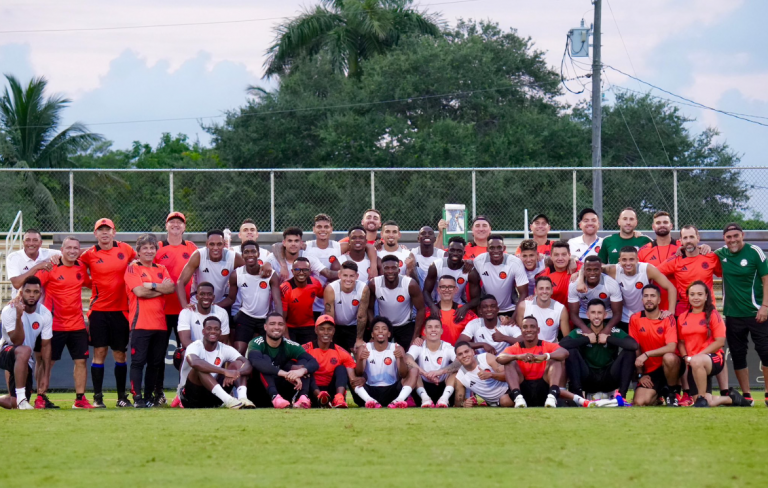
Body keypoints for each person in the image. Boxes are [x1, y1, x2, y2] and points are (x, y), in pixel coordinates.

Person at [79, 218, 137, 408]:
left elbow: (138, 263)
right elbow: (77, 269)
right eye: (100, 230)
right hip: (98, 311)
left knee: (120, 354)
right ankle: (98, 398)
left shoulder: (126, 249)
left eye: (108, 229)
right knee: (100, 352)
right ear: (95, 234)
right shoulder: (88, 255)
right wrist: (93, 285)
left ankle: (122, 397)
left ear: (114, 232)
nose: (104, 233)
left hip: (121, 310)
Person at [714, 223, 768, 407]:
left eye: (736, 236)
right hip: (733, 315)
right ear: (724, 239)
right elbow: (702, 255)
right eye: (729, 237)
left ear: (742, 235)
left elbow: (766, 279)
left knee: (765, 352)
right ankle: (747, 395)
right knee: (738, 354)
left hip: (756, 313)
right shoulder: (721, 253)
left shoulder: (755, 252)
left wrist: (765, 306)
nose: (733, 240)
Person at [5, 228, 60, 408]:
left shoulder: (49, 253)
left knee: (40, 355)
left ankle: (40, 396)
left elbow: (71, 251)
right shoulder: (15, 257)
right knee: (18, 350)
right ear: (23, 241)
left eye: (35, 240)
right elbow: (16, 283)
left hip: (39, 313)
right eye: (27, 240)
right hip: (18, 310)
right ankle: (13, 393)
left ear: (40, 242)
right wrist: (37, 267)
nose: (31, 243)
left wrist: (60, 257)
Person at [36, 236, 94, 409]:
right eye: (68, 248)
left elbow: (92, 283)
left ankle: (80, 399)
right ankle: (40, 397)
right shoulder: (50, 266)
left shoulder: (81, 268)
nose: (72, 251)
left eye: (76, 248)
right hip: (53, 325)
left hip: (77, 324)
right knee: (48, 362)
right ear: (61, 250)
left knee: (81, 361)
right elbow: (32, 286)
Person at [677, 282, 751, 407]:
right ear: (688, 297)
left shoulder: (713, 315)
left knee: (701, 399)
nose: (696, 297)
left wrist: (697, 356)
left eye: (700, 294)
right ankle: (731, 399)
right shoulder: (682, 317)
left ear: (706, 296)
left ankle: (701, 397)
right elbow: (681, 342)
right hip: (694, 364)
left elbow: (720, 342)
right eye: (692, 294)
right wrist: (685, 357)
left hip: (714, 359)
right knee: (706, 402)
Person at [124, 233, 175, 408]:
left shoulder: (161, 268)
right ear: (138, 251)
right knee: (138, 362)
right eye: (144, 248)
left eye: (152, 248)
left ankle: (148, 398)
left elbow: (171, 287)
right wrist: (161, 289)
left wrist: (151, 285)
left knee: (155, 364)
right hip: (140, 324)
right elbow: (139, 292)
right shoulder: (133, 268)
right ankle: (137, 398)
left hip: (160, 324)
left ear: (156, 250)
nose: (148, 251)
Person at [154, 212, 198, 404]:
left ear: (184, 227)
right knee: (158, 353)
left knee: (188, 352)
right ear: (166, 226)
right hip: (161, 310)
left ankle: (186, 390)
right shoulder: (158, 247)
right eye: (172, 222)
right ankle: (158, 392)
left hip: (185, 309)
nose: (175, 225)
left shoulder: (191, 247)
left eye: (179, 222)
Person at [578, 246, 677, 328]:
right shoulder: (613, 270)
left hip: (645, 315)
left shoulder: (647, 269)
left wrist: (671, 311)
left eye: (631, 259)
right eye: (624, 260)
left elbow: (671, 288)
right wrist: (580, 278)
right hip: (623, 317)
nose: (628, 263)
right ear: (619, 261)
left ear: (637, 260)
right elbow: (588, 267)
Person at [559, 299, 638, 400]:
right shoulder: (580, 332)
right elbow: (562, 344)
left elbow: (634, 345)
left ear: (605, 315)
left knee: (629, 352)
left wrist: (608, 338)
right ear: (588, 315)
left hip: (610, 377)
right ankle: (579, 398)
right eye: (593, 312)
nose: (596, 316)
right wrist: (586, 339)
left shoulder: (613, 331)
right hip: (588, 378)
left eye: (599, 313)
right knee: (571, 351)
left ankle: (622, 397)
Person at [219, 241, 281, 355]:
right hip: (245, 317)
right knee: (239, 352)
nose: (250, 254)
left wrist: (279, 319)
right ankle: (238, 373)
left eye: (253, 251)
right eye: (246, 252)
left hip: (265, 318)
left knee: (267, 353)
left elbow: (277, 301)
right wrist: (214, 306)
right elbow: (231, 299)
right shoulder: (236, 274)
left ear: (258, 254)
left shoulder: (270, 274)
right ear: (242, 255)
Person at [247, 313, 319, 409]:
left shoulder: (289, 345)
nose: (277, 327)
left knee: (302, 364)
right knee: (265, 362)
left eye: (280, 324)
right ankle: (275, 397)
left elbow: (313, 362)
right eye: (272, 324)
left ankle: (303, 398)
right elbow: (256, 362)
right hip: (258, 390)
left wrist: (300, 371)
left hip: (283, 394)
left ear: (284, 327)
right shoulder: (256, 342)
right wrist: (285, 374)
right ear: (265, 327)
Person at [496, 317, 572, 408]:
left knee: (555, 358)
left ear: (538, 330)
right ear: (521, 330)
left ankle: (552, 395)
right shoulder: (515, 347)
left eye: (532, 326)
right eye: (525, 327)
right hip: (523, 388)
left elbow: (565, 353)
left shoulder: (546, 345)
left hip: (543, 387)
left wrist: (545, 356)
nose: (528, 330)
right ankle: (518, 397)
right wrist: (517, 357)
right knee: (504, 400)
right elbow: (499, 358)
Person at [0, 277, 52, 410]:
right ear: (21, 292)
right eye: (28, 291)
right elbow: (17, 341)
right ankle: (22, 399)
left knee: (14, 403)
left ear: (40, 294)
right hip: (6, 351)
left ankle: (20, 400)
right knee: (24, 349)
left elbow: (46, 346)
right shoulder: (9, 310)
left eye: (35, 292)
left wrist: (45, 376)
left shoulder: (45, 313)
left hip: (25, 358)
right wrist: (18, 316)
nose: (31, 295)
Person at [178, 316, 252, 409]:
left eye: (216, 329)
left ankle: (243, 399)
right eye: (209, 329)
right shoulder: (195, 346)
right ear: (203, 331)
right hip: (191, 397)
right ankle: (228, 400)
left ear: (220, 332)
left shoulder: (225, 348)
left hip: (214, 397)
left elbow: (247, 363)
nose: (213, 331)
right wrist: (224, 371)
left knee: (238, 363)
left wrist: (236, 373)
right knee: (199, 368)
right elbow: (194, 362)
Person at [629, 284, 684, 407]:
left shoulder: (667, 318)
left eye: (653, 296)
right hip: (651, 371)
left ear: (659, 300)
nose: (649, 299)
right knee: (640, 402)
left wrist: (647, 354)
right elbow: (636, 349)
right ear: (642, 299)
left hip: (670, 366)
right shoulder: (635, 319)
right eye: (646, 296)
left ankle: (671, 393)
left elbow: (671, 347)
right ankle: (659, 393)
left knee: (669, 357)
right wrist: (640, 375)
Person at [655, 225, 721, 317]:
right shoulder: (676, 260)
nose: (688, 240)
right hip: (684, 310)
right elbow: (654, 272)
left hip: (707, 309)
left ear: (698, 238)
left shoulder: (711, 257)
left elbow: (724, 273)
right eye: (685, 238)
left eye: (691, 237)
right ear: (681, 241)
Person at [353, 317, 415, 408]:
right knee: (349, 370)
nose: (380, 331)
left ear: (389, 334)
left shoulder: (397, 348)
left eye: (384, 329)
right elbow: (358, 373)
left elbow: (404, 374)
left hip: (392, 391)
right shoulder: (364, 348)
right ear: (372, 334)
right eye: (377, 329)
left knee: (414, 371)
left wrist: (401, 359)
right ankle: (369, 400)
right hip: (370, 390)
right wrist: (361, 359)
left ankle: (399, 400)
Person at [368, 255, 426, 350]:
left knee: (407, 356)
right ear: (382, 270)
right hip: (384, 327)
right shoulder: (374, 284)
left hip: (405, 326)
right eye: (386, 268)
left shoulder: (410, 284)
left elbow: (421, 309)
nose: (390, 271)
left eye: (394, 268)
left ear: (399, 270)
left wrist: (415, 336)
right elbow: (369, 308)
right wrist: (374, 328)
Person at [302, 315, 357, 408]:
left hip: (331, 390)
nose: (326, 332)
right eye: (322, 329)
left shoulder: (341, 352)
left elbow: (352, 376)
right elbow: (292, 365)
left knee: (341, 368)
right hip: (311, 390)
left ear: (334, 331)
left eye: (329, 329)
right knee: (305, 367)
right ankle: (314, 397)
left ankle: (339, 398)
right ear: (316, 330)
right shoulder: (306, 349)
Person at [467, 235, 528, 317]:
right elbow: (474, 284)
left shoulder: (514, 263)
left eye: (499, 247)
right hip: (488, 309)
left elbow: (524, 293)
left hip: (510, 309)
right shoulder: (479, 261)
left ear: (504, 248)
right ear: (487, 249)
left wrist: (514, 318)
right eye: (492, 248)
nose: (496, 251)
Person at [405, 317, 461, 407]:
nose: (433, 330)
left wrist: (440, 371)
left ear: (441, 331)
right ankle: (425, 398)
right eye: (430, 327)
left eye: (437, 327)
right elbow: (407, 358)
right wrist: (425, 373)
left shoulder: (447, 346)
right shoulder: (418, 346)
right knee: (413, 371)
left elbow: (459, 361)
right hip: (423, 387)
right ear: (425, 331)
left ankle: (444, 399)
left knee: (456, 372)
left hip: (443, 386)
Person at [227, 218, 272, 328]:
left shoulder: (266, 254)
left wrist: (268, 264)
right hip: (237, 307)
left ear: (257, 234)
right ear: (239, 235)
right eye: (245, 230)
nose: (249, 232)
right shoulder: (231, 252)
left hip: (260, 310)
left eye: (252, 230)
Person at [638, 211, 680, 312]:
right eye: (658, 223)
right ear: (653, 227)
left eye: (665, 222)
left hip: (680, 304)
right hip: (654, 306)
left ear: (671, 226)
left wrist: (704, 247)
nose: (662, 225)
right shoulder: (644, 251)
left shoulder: (681, 247)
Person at [568, 256, 623, 333]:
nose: (592, 273)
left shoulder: (611, 284)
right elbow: (573, 314)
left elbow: (617, 314)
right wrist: (586, 330)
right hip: (584, 316)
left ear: (601, 270)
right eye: (589, 270)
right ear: (584, 271)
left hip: (606, 316)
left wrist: (606, 330)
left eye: (596, 270)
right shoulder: (574, 285)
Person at [423, 236, 476, 316]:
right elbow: (426, 291)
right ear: (448, 251)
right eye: (452, 250)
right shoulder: (436, 266)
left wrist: (465, 308)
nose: (455, 253)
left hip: (458, 307)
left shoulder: (469, 270)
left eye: (459, 251)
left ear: (464, 253)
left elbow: (477, 298)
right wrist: (433, 306)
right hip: (438, 305)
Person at [302, 214, 342, 318]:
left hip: (332, 300)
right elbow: (279, 246)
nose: (323, 230)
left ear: (331, 229)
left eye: (326, 227)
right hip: (311, 301)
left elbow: (362, 245)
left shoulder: (339, 246)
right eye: (319, 227)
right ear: (314, 229)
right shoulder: (306, 246)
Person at [279, 257, 325, 345]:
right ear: (292, 271)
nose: (301, 273)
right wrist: (286, 336)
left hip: (308, 326)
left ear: (310, 271)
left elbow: (323, 295)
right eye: (297, 269)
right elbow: (282, 317)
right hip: (290, 327)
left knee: (308, 354)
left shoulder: (315, 283)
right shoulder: (285, 288)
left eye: (305, 270)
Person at [267, 227, 338, 283]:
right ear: (284, 243)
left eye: (296, 241)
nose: (293, 244)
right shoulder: (274, 258)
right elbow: (264, 270)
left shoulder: (308, 258)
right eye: (290, 241)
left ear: (301, 243)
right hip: (280, 299)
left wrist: (345, 273)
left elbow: (328, 273)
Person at [324, 261, 367, 353]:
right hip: (336, 327)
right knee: (335, 354)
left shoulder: (363, 288)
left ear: (357, 276)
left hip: (354, 326)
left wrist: (359, 339)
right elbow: (329, 316)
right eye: (345, 275)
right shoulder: (331, 288)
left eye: (351, 276)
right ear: (339, 275)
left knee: (358, 351)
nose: (348, 279)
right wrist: (330, 337)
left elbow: (362, 316)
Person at [453, 342, 513, 407]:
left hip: (509, 389)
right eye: (460, 354)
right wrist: (464, 404)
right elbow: (458, 402)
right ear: (457, 359)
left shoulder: (486, 358)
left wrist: (491, 375)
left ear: (473, 352)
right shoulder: (460, 377)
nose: (464, 355)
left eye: (466, 352)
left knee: (505, 401)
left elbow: (509, 376)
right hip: (494, 403)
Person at [424, 275, 477, 345]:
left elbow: (479, 333)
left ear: (456, 290)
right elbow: (423, 338)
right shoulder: (427, 312)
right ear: (438, 290)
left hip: (459, 354)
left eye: (451, 287)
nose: (446, 290)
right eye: (443, 287)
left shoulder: (466, 313)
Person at [515, 276, 568, 343]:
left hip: (550, 349)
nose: (544, 291)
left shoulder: (561, 309)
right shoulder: (523, 306)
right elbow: (520, 332)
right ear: (536, 291)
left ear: (552, 290)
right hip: (529, 347)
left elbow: (567, 338)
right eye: (541, 288)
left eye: (547, 288)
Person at [178, 282, 231, 346]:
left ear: (213, 297)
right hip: (192, 351)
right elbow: (185, 341)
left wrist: (209, 354)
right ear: (197, 297)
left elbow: (223, 342)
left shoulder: (222, 313)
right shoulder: (186, 312)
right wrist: (201, 352)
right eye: (202, 294)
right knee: (182, 353)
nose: (206, 297)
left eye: (209, 294)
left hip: (213, 351)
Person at [538, 240, 580, 306]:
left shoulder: (578, 267)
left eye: (564, 254)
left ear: (569, 255)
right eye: (556, 255)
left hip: (581, 313)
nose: (560, 258)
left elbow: (598, 267)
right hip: (555, 314)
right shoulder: (543, 276)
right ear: (551, 256)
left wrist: (580, 272)